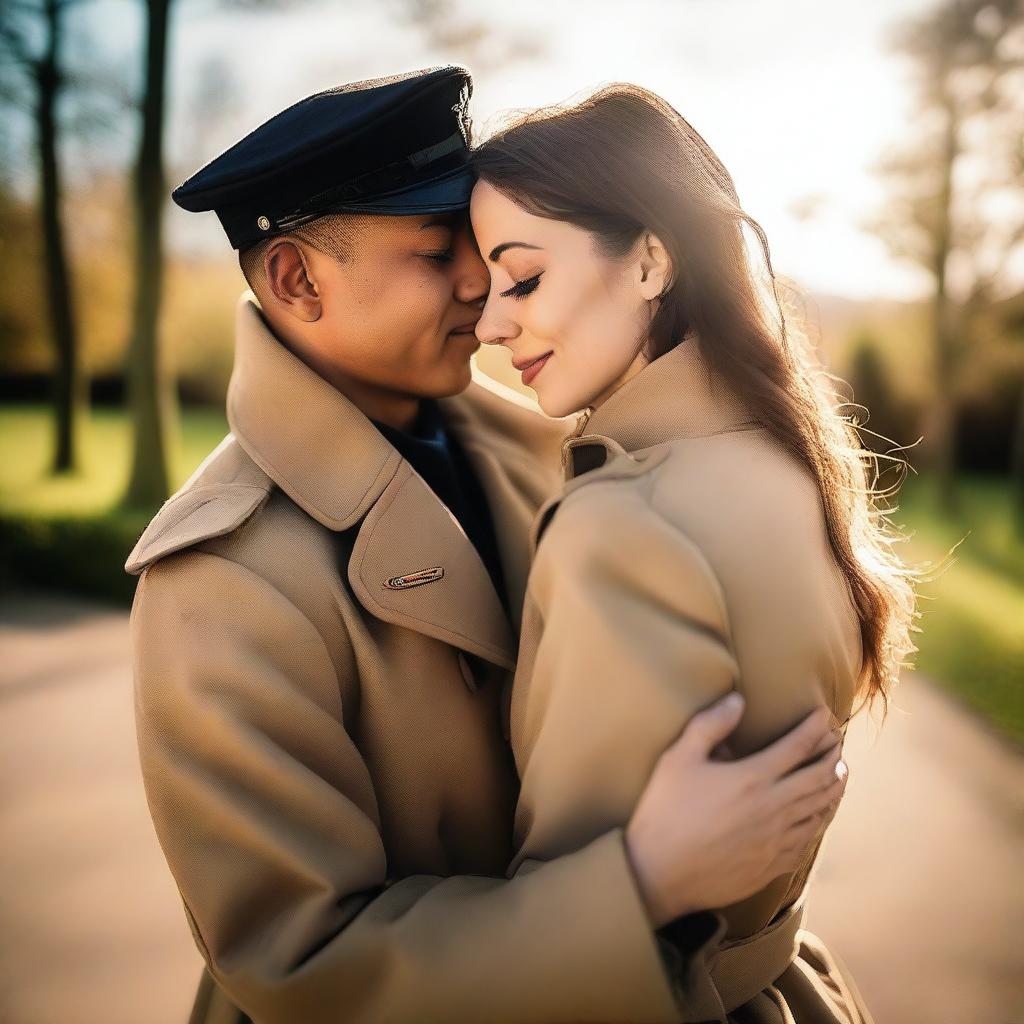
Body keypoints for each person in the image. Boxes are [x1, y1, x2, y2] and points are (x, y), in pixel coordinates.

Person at [126, 67, 849, 1024]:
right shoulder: (224, 574)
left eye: (489, 249)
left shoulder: (567, 441)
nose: (482, 285)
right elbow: (301, 963)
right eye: (438, 251)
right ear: (297, 280)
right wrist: (637, 885)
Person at [469, 82, 918, 1023]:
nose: (490, 325)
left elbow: (579, 974)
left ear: (650, 262)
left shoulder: (622, 526)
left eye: (522, 278)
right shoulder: (793, 468)